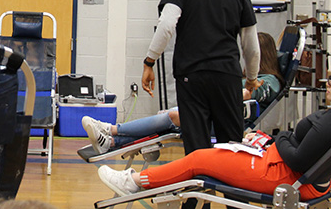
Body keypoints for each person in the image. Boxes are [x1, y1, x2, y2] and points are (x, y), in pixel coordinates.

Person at [97, 53, 331, 201]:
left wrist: (280, 139)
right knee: (211, 151)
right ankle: (117, 143)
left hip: (279, 176)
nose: (329, 84)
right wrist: (271, 140)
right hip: (281, 168)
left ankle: (133, 183)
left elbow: (298, 157)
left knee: (199, 159)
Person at [141, 0, 260, 157]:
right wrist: (251, 77)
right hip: (227, 76)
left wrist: (149, 61)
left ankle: (198, 189)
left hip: (191, 75)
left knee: (197, 145)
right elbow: (251, 46)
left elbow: (166, 25)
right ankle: (231, 190)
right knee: (232, 145)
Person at [83, 32, 282, 154]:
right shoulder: (245, 77)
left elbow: (245, 95)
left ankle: (111, 130)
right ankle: (110, 142)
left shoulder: (269, 81)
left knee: (173, 116)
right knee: (170, 119)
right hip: (217, 114)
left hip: (227, 123)